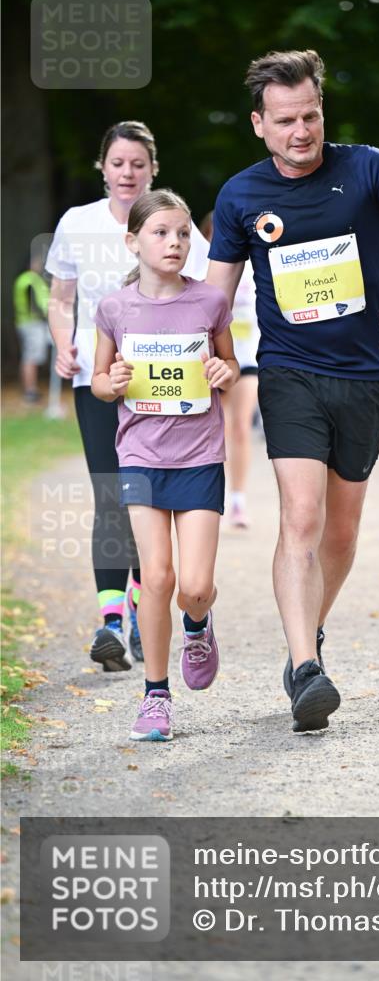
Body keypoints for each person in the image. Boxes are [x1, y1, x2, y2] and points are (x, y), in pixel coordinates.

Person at [207, 49, 379, 732]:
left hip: (364, 376)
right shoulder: (240, 196)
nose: (301, 131)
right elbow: (213, 299)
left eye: (310, 115)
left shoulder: (369, 168)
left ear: (323, 111)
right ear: (259, 124)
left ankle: (304, 640)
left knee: (341, 533)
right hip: (287, 372)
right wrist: (203, 358)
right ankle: (306, 671)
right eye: (285, 120)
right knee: (304, 518)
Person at [46, 121, 210, 671]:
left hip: (164, 380)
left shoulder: (172, 224)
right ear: (103, 167)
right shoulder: (78, 223)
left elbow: (212, 287)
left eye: (138, 164)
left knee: (147, 494)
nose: (127, 173)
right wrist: (62, 344)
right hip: (97, 376)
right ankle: (112, 621)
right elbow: (61, 297)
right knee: (111, 493)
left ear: (153, 168)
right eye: (118, 163)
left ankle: (147, 610)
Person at [92, 189, 238, 741]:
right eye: (160, 233)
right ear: (133, 242)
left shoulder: (208, 303)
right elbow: (101, 383)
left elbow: (228, 361)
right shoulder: (114, 308)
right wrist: (114, 384)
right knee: (156, 577)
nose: (174, 242)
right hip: (140, 456)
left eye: (181, 233)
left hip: (200, 455)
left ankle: (197, 625)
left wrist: (225, 372)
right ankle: (155, 697)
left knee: (194, 585)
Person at [201, 212, 260, 528]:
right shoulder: (198, 269)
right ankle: (213, 498)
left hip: (248, 357)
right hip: (209, 360)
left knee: (239, 427)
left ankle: (238, 500)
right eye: (214, 233)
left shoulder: (253, 267)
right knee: (213, 430)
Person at [14, 252, 51, 403]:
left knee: (29, 356)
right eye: (37, 262)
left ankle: (29, 388)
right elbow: (36, 303)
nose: (39, 265)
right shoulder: (30, 279)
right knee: (31, 357)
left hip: (25, 322)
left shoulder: (23, 279)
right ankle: (30, 390)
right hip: (32, 323)